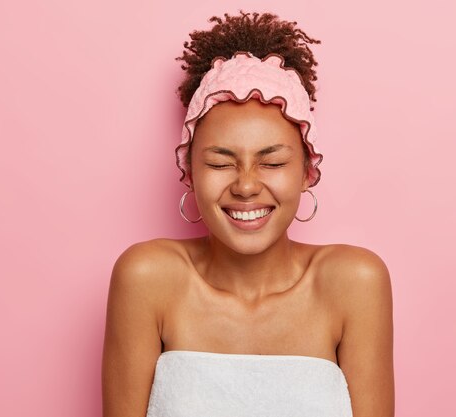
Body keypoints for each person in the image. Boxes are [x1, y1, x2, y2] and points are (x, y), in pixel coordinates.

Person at [102, 10, 394, 417]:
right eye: (221, 163)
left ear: (308, 171)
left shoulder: (354, 283)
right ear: (188, 170)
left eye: (272, 162)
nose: (245, 185)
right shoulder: (147, 278)